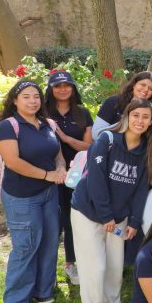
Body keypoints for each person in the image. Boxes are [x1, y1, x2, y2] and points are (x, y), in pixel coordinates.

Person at [70, 98, 152, 303]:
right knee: (94, 267)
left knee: (114, 267)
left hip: (117, 217)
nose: (140, 121)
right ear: (127, 116)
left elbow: (141, 190)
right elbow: (97, 181)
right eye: (136, 115)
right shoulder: (106, 141)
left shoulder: (145, 151)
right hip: (89, 212)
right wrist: (106, 215)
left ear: (151, 122)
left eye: (146, 117)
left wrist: (133, 221)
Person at [0, 80, 67, 303]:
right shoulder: (8, 126)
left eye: (36, 96)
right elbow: (13, 162)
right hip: (21, 196)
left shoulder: (47, 124)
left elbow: (57, 153)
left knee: (49, 242)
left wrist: (61, 168)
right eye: (26, 96)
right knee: (26, 246)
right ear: (15, 100)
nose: (32, 101)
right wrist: (47, 175)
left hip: (49, 194)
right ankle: (16, 299)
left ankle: (43, 291)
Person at [44, 70, 93, 286]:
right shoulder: (43, 112)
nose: (63, 89)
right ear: (51, 89)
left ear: (73, 88)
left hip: (77, 174)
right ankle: (47, 274)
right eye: (57, 86)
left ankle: (71, 263)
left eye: (67, 85)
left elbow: (89, 146)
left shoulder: (82, 113)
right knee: (51, 222)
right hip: (49, 174)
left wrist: (64, 138)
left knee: (72, 219)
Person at [93, 71, 152, 141]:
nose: (146, 89)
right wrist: (125, 122)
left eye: (150, 89)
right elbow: (95, 134)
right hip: (110, 148)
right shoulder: (113, 102)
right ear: (134, 85)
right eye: (143, 85)